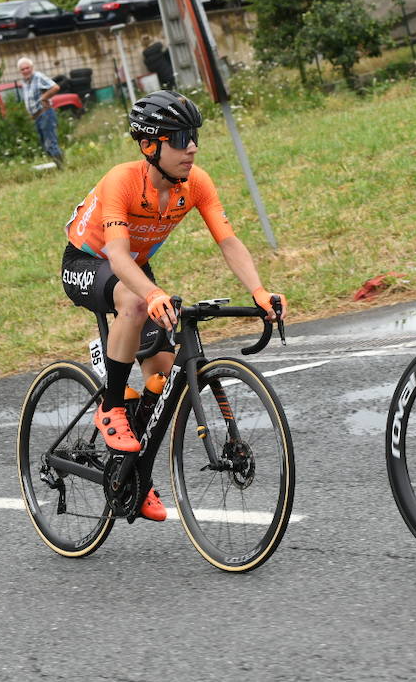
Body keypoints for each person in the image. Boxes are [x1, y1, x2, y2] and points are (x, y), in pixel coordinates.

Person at [61, 91, 285, 522]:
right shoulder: (121, 180)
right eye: (181, 138)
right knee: (134, 300)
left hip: (134, 270)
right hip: (88, 263)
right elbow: (119, 257)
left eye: (194, 136)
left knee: (163, 374)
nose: (192, 147)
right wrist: (151, 294)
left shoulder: (196, 183)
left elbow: (229, 240)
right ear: (151, 145)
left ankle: (132, 474)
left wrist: (258, 290)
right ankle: (110, 407)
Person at [18, 57, 64, 168]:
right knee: (45, 144)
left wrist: (44, 98)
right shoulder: (24, 82)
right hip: (37, 117)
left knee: (50, 142)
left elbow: (55, 87)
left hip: (45, 113)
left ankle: (61, 166)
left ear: (32, 67)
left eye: (27, 68)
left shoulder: (38, 77)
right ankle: (58, 163)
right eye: (22, 69)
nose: (25, 71)